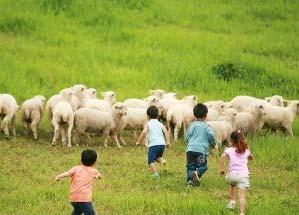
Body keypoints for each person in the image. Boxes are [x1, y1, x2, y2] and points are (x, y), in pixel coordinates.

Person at [55, 149, 101, 215]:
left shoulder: (76, 168)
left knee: (77, 211)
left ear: (81, 160)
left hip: (73, 199)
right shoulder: (93, 171)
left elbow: (67, 173)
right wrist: (97, 176)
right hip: (84, 199)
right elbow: (99, 175)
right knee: (90, 213)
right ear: (95, 162)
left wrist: (59, 176)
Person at [219, 130, 253, 215]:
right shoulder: (246, 150)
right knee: (242, 196)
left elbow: (222, 157)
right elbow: (251, 157)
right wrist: (247, 158)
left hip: (232, 175)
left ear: (231, 140)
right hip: (243, 176)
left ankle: (232, 201)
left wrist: (222, 169)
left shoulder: (229, 150)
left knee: (232, 184)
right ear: (243, 139)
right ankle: (242, 213)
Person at [186, 103, 216, 187]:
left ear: (194, 115)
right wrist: (213, 144)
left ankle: (190, 182)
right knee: (203, 166)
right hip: (201, 151)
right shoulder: (206, 126)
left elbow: (187, 136)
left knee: (190, 167)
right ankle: (197, 173)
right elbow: (211, 135)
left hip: (190, 149)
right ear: (206, 115)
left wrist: (188, 143)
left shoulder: (191, 125)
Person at [136, 106, 171, 179]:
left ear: (148, 116)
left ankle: (155, 174)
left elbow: (144, 132)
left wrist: (139, 141)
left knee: (150, 160)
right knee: (157, 157)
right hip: (162, 144)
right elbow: (166, 132)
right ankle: (163, 161)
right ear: (157, 115)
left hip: (153, 145)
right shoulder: (160, 124)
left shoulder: (148, 123)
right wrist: (168, 142)